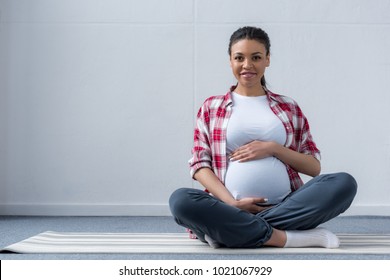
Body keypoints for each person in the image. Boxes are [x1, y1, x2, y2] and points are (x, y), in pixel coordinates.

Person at [169, 26, 357, 249]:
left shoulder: (288, 107)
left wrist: (273, 148)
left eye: (256, 57)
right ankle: (284, 237)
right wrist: (232, 204)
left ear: (267, 60)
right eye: (239, 58)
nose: (247, 65)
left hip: (286, 206)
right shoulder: (211, 107)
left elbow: (313, 168)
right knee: (180, 201)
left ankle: (228, 231)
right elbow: (200, 165)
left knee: (344, 183)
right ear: (230, 61)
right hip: (226, 206)